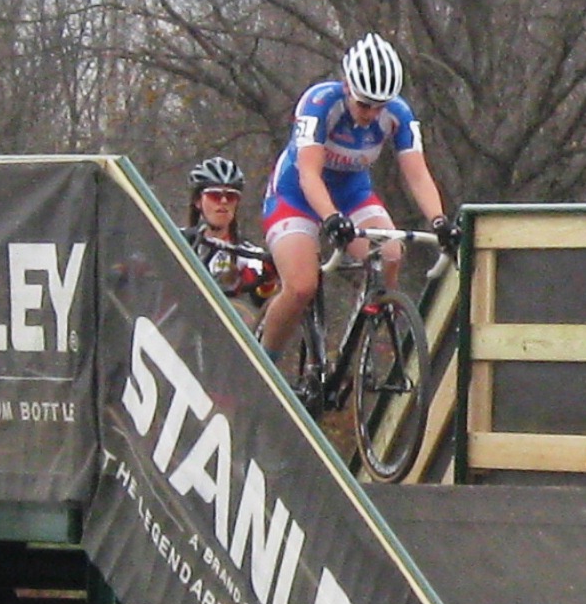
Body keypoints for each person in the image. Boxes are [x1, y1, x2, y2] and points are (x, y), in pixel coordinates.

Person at [257, 32, 456, 361]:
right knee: (302, 286)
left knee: (391, 253)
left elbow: (418, 173)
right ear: (348, 87)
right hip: (296, 194)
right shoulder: (320, 103)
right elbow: (309, 173)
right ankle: (264, 363)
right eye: (364, 104)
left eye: (380, 107)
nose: (371, 114)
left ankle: (374, 326)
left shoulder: (399, 115)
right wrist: (332, 219)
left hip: (352, 193)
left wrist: (439, 221)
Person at [180, 157, 276, 322]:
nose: (223, 202)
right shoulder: (178, 239)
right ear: (198, 202)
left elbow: (263, 294)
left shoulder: (248, 254)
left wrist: (266, 277)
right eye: (215, 196)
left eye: (231, 197)